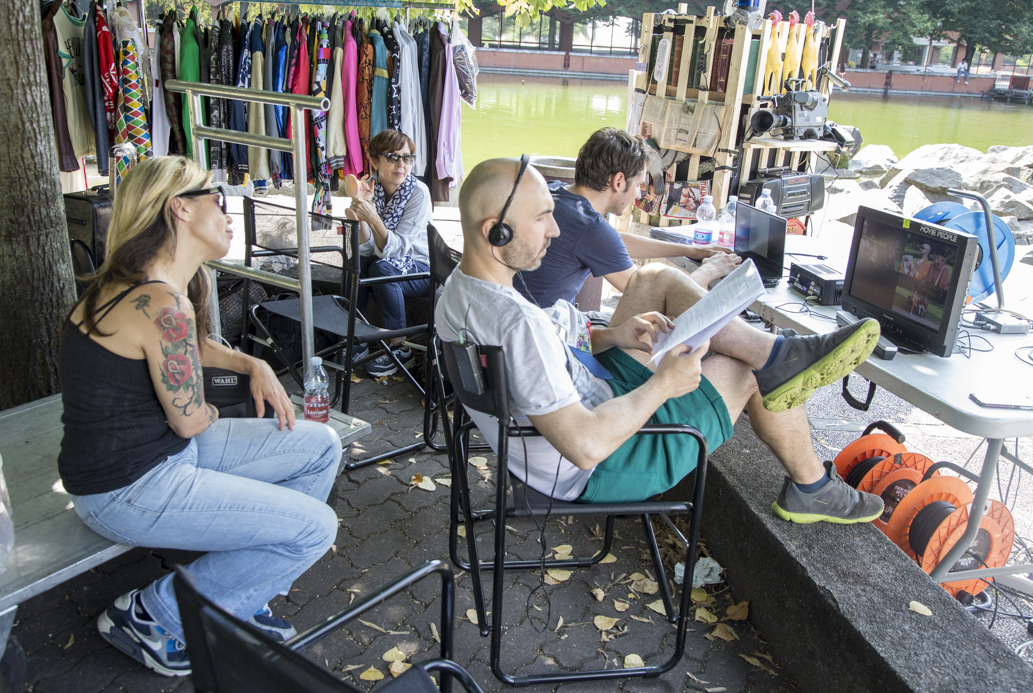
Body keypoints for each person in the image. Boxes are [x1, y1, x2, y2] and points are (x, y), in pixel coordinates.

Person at [438, 156, 885, 524]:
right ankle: (813, 485)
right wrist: (664, 385)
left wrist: (614, 334)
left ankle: (778, 354)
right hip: (600, 464)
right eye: (542, 218)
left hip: (586, 396)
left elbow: (543, 348)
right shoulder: (517, 326)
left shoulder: (459, 290)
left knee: (654, 278)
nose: (554, 230)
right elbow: (585, 446)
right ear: (496, 230)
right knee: (743, 370)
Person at [59, 157, 341, 677]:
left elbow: (190, 346)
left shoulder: (146, 286)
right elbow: (191, 420)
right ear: (180, 209)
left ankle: (241, 593)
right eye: (218, 197)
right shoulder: (161, 302)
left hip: (158, 457)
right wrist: (207, 402)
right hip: (126, 488)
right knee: (315, 529)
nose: (229, 210)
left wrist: (251, 363)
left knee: (321, 445)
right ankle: (154, 615)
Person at [516, 128, 739, 309]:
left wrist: (691, 250)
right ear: (619, 181)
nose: (639, 195)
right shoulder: (589, 229)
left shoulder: (554, 193)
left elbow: (614, 241)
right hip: (545, 337)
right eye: (639, 184)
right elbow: (658, 301)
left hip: (513, 322)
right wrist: (710, 270)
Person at [347, 129, 432, 377]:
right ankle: (356, 339)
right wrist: (362, 213)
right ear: (374, 161)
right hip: (389, 263)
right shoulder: (372, 189)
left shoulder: (418, 193)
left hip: (422, 268)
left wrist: (373, 218)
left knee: (381, 268)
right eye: (392, 157)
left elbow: (399, 249)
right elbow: (366, 249)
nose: (401, 165)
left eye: (407, 158)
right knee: (356, 263)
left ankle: (400, 349)